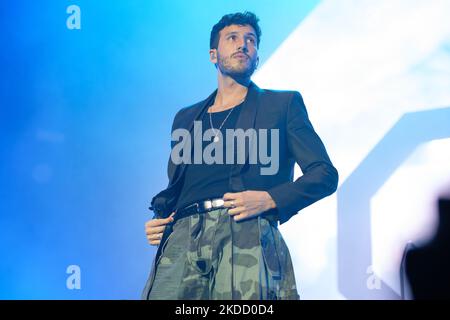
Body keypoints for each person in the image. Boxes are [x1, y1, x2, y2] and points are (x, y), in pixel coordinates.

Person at [141, 11, 338, 300]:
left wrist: (271, 199)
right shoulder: (185, 119)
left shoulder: (282, 105)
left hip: (243, 230)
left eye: (251, 40)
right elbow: (180, 186)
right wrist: (163, 219)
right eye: (232, 38)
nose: (243, 45)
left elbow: (324, 174)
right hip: (182, 236)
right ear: (213, 54)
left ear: (256, 57)